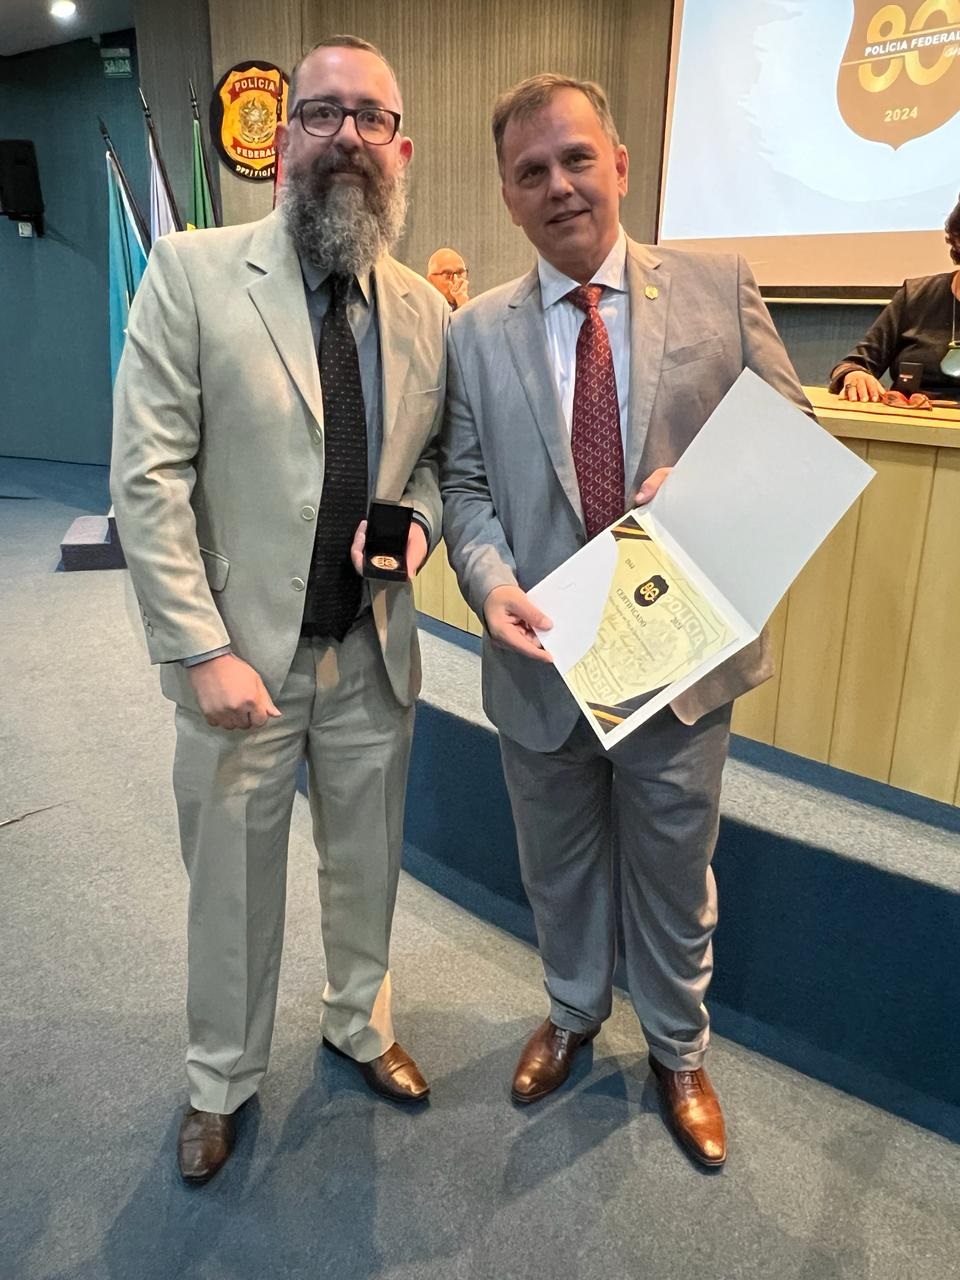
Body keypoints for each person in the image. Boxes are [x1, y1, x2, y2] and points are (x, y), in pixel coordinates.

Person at [440, 73, 809, 1167]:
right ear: (508, 196)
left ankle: (678, 1048)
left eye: (576, 158)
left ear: (621, 164)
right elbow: (465, 487)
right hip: (543, 661)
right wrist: (487, 582)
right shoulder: (473, 333)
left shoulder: (716, 286)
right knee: (555, 866)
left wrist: (703, 486)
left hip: (678, 657)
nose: (559, 185)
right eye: (531, 171)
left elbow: (791, 432)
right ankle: (570, 1010)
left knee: (675, 870)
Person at [111, 34, 447, 1185]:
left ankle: (359, 1018)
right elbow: (147, 475)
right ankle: (220, 1078)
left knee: (369, 860)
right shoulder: (191, 274)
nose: (345, 136)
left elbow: (435, 463)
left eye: (370, 118)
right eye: (321, 113)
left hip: (371, 645)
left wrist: (419, 524)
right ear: (279, 141)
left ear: (401, 150)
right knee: (234, 889)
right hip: (241, 661)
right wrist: (199, 647)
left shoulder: (422, 310)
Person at [829, 196, 960, 402]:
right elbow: (853, 364)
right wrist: (855, 375)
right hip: (907, 417)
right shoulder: (916, 295)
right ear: (957, 239)